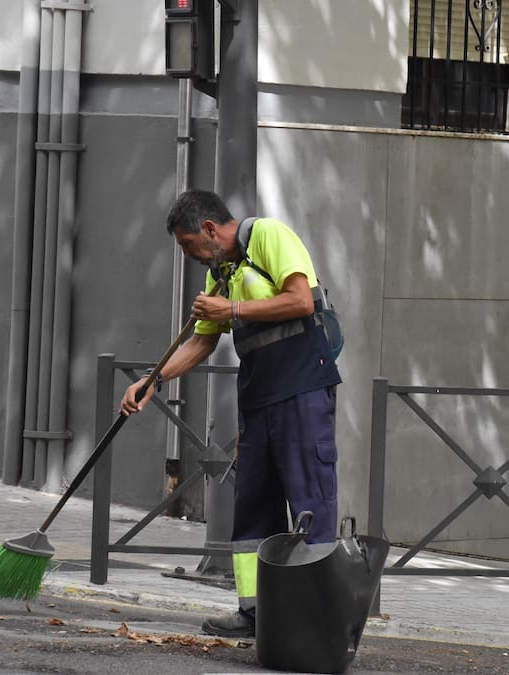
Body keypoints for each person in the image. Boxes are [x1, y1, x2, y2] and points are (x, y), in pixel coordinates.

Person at [121, 188, 341, 638]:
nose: (188, 255)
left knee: (310, 504)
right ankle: (257, 613)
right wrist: (154, 380)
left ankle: (317, 620)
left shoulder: (268, 236)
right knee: (254, 506)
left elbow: (301, 300)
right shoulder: (221, 270)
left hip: (302, 392)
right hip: (258, 400)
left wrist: (233, 308)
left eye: (187, 245)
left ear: (208, 229)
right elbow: (202, 341)